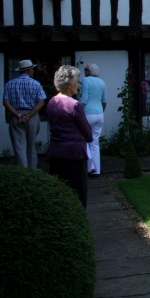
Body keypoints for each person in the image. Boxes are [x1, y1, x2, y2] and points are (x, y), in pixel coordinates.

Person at [46, 66, 94, 208]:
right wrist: (89, 137)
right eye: (77, 82)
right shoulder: (74, 105)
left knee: (59, 190)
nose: (78, 86)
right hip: (74, 154)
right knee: (78, 192)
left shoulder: (51, 102)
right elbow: (86, 130)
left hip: (56, 152)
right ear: (68, 84)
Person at [3, 59, 47, 169]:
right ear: (28, 70)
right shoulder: (36, 84)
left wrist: (18, 115)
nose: (33, 71)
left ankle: (23, 172)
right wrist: (29, 115)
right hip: (32, 116)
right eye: (32, 69)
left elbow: (5, 102)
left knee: (19, 147)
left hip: (16, 116)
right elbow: (41, 103)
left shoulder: (10, 84)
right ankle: (32, 172)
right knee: (31, 147)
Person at [80, 63, 107, 176]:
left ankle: (90, 166)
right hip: (99, 114)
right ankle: (97, 170)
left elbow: (84, 99)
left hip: (87, 114)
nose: (84, 71)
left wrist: (78, 112)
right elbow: (104, 101)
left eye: (85, 69)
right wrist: (100, 111)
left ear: (89, 71)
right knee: (95, 142)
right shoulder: (102, 82)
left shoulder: (86, 80)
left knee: (84, 139)